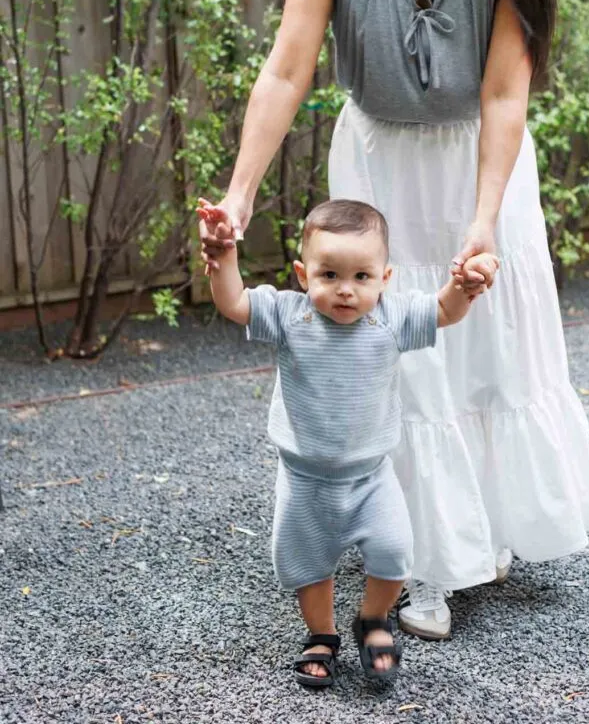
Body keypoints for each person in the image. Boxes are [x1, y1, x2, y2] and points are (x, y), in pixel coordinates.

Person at [199, 0, 589, 641]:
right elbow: (285, 71)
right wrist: (238, 194)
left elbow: (504, 98)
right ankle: (423, 563)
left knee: (482, 341)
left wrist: (480, 218)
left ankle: (480, 534)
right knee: (397, 353)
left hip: (478, 163)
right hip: (379, 162)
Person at [197, 196, 498, 686]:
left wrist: (465, 284)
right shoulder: (289, 317)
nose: (345, 290)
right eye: (329, 275)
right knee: (307, 564)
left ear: (385, 278)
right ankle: (322, 635)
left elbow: (444, 310)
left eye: (361, 277)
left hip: (370, 475)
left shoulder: (391, 318)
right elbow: (234, 302)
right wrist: (223, 256)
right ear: (302, 274)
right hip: (305, 479)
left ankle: (373, 618)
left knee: (394, 551)